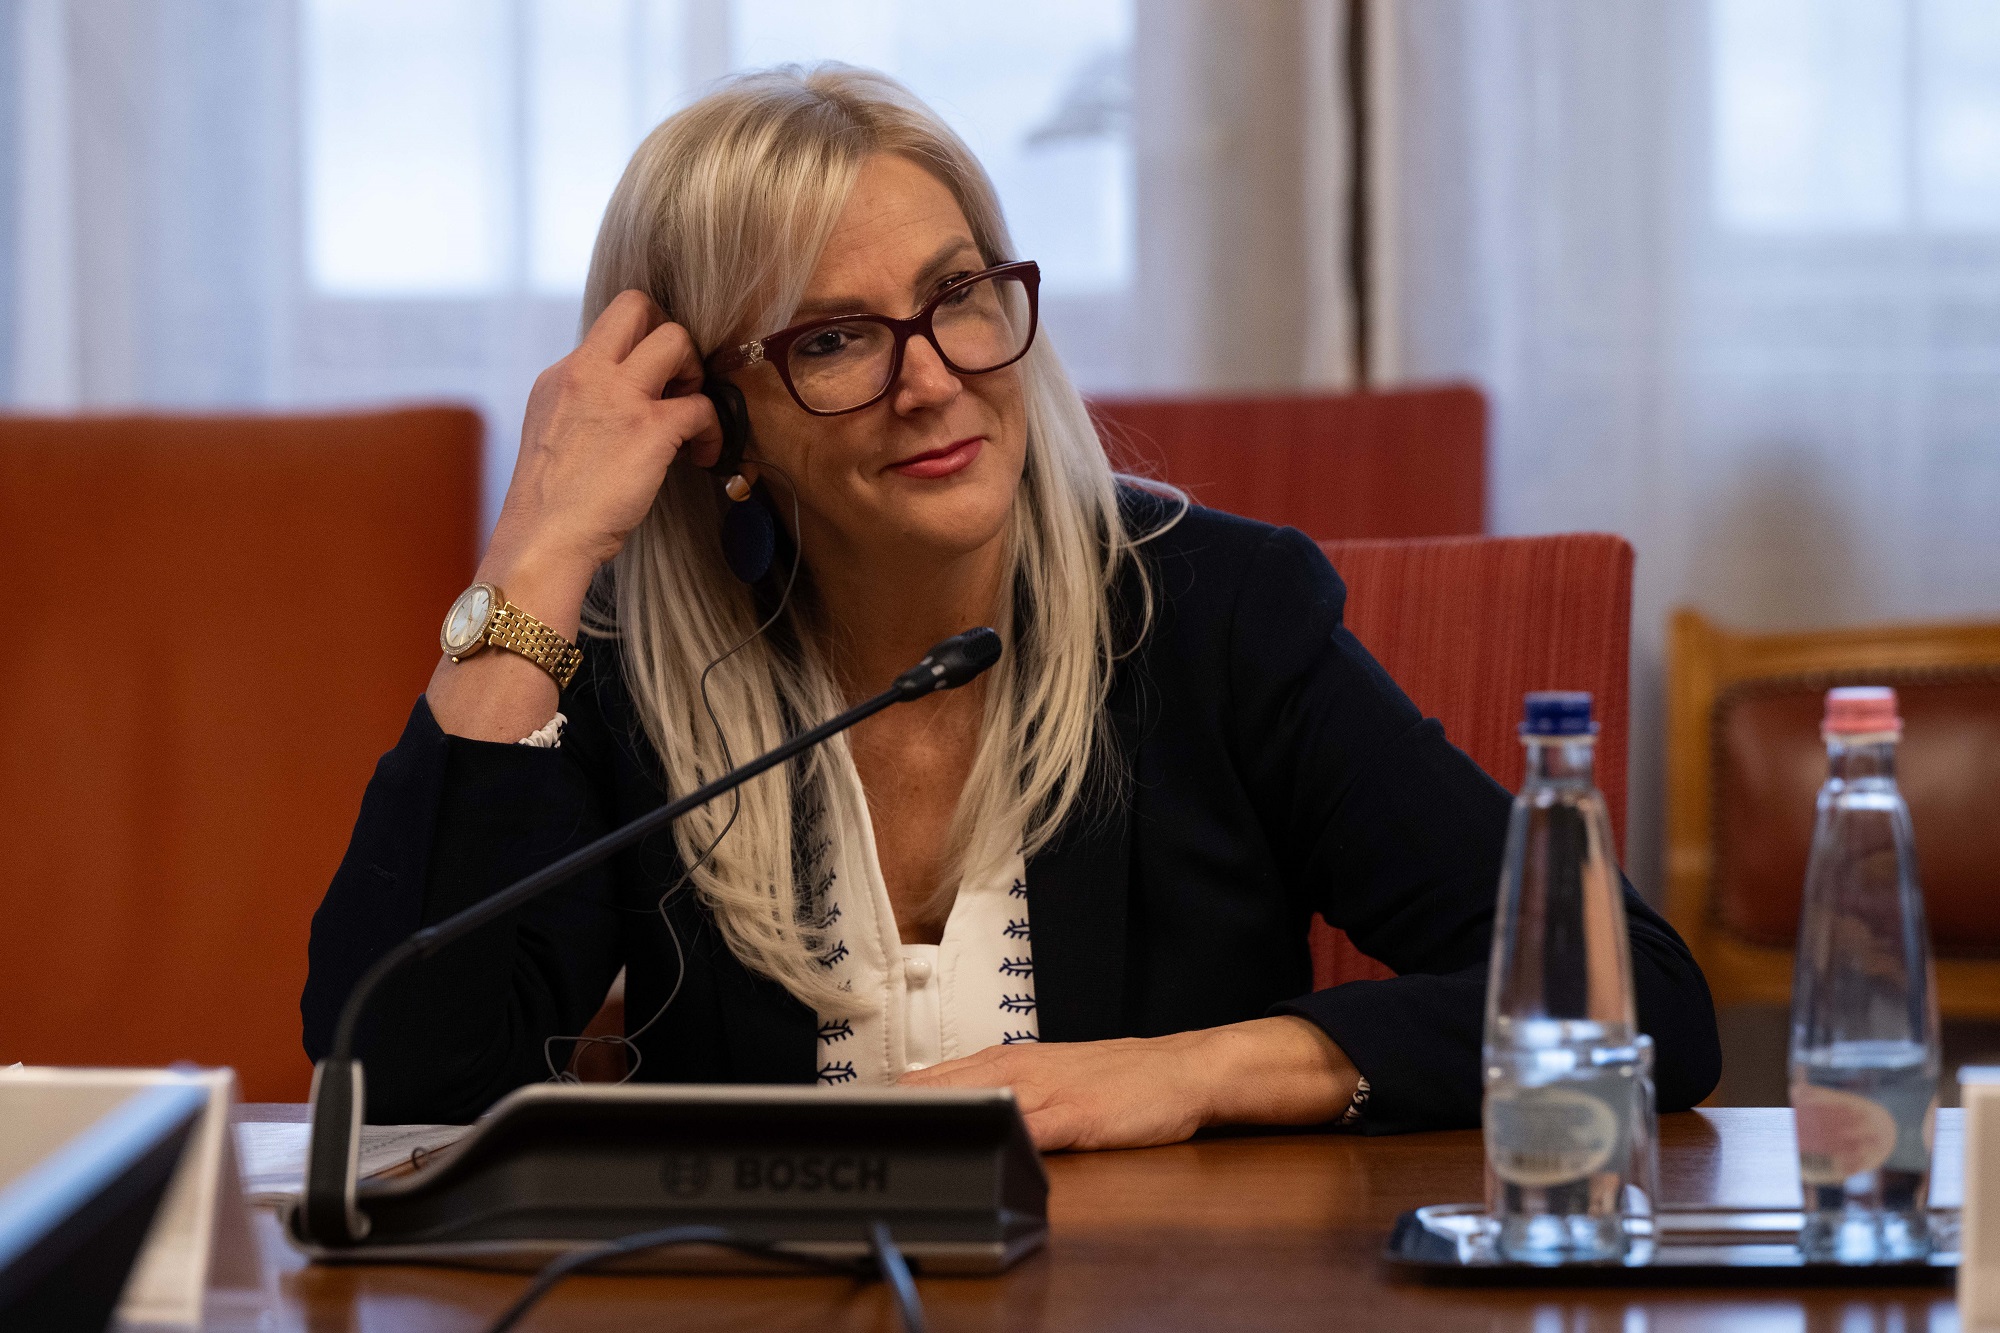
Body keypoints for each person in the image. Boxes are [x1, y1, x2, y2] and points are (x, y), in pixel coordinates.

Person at [302, 65, 1719, 1145]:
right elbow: (398, 1081)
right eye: (835, 338)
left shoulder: (1214, 614)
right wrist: (538, 555)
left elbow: (1635, 997)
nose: (934, 379)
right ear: (711, 417)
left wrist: (1188, 1073)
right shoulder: (634, 673)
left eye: (961, 293)